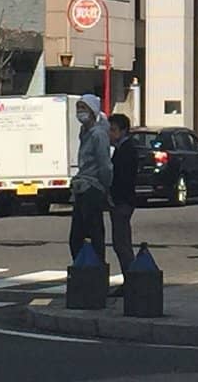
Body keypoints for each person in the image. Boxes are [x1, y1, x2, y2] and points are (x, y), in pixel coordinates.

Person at [68, 94, 113, 266]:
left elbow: (105, 164)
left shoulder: (98, 134)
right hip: (82, 186)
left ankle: (95, 270)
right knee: (77, 237)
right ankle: (84, 267)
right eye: (78, 108)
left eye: (83, 108)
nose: (80, 112)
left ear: (93, 110)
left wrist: (105, 187)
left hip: (92, 188)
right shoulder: (85, 132)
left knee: (92, 234)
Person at [108, 112, 137, 288]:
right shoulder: (121, 149)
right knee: (120, 243)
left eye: (113, 130)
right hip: (120, 201)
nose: (110, 134)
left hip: (122, 202)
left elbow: (123, 178)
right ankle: (130, 280)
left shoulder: (127, 150)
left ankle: (131, 281)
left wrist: (114, 196)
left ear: (124, 131)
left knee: (122, 243)